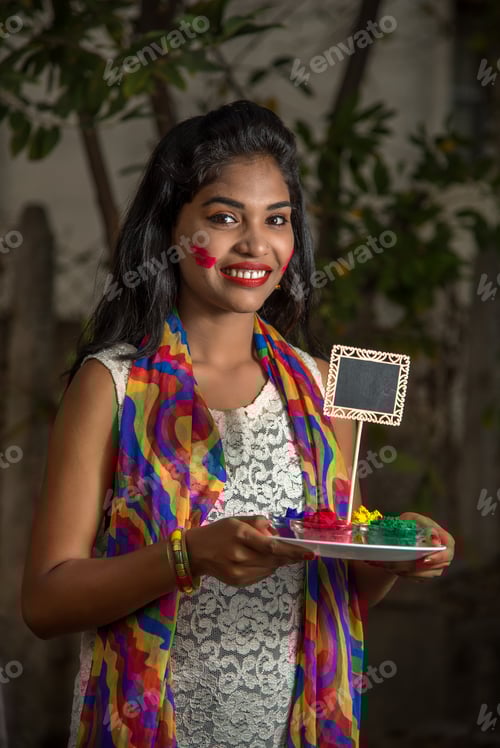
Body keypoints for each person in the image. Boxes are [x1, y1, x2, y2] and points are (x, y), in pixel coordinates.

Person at [21, 100, 454, 748]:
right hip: (152, 726)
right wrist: (186, 556)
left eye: (276, 219)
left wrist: (394, 550)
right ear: (173, 228)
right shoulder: (112, 385)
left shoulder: (317, 386)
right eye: (225, 217)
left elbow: (338, 588)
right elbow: (46, 603)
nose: (256, 244)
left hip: (292, 729)